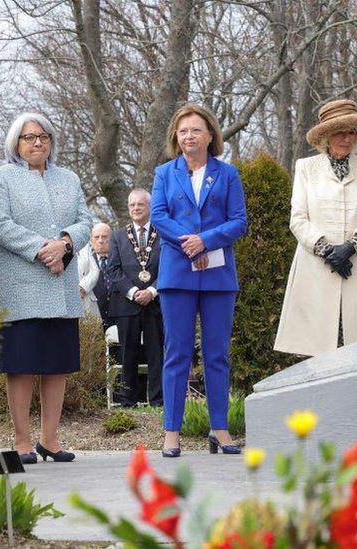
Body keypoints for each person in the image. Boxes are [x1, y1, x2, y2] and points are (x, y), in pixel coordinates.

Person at [0, 112, 92, 464]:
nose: (37, 142)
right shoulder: (2, 177)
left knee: (56, 363)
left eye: (43, 136)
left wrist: (64, 244)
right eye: (28, 137)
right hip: (21, 283)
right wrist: (41, 249)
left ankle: (50, 439)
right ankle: (22, 441)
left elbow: (85, 221)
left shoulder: (69, 177)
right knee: (21, 364)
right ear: (15, 143)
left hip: (60, 282)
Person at [150, 104, 248, 457]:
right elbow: (159, 216)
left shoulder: (227, 174)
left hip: (218, 275)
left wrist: (207, 240)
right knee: (176, 353)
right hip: (177, 275)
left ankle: (219, 428)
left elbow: (239, 221)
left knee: (217, 354)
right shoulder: (164, 173)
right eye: (182, 131)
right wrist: (191, 244)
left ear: (210, 136)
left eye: (196, 130)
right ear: (175, 138)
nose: (189, 136)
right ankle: (171, 431)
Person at [274, 99, 357, 356]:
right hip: (317, 268)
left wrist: (349, 248)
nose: (346, 138)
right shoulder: (306, 167)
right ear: (325, 135)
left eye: (352, 132)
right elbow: (298, 219)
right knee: (317, 349)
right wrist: (328, 251)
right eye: (339, 131)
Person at [106, 190, 165, 406]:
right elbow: (113, 270)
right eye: (132, 205)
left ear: (149, 207)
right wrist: (133, 292)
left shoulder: (162, 234)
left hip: (155, 303)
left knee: (156, 355)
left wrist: (151, 291)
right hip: (126, 304)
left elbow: (169, 267)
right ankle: (127, 401)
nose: (136, 208)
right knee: (127, 355)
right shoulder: (118, 235)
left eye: (140, 204)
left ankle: (158, 400)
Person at [77, 223, 112, 324]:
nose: (100, 240)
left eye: (104, 237)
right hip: (94, 317)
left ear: (111, 238)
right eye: (96, 237)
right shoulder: (85, 264)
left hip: (119, 315)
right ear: (91, 240)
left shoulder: (121, 259)